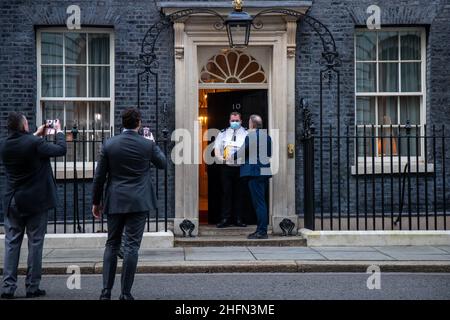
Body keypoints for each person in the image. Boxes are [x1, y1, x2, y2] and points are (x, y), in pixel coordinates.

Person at [92, 107, 166, 300]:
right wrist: (153, 143)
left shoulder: (109, 144)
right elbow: (163, 163)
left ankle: (105, 292)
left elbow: (99, 177)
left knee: (112, 244)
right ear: (138, 123)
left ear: (122, 123)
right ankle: (125, 294)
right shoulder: (147, 145)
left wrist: (95, 202)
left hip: (115, 199)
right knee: (132, 246)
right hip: (138, 202)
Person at [0, 112, 66, 299]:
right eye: (27, 123)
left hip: (12, 200)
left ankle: (8, 287)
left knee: (12, 243)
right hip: (35, 201)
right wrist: (59, 132)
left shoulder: (4, 145)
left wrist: (37, 134)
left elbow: (24, 144)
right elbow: (61, 150)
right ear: (23, 126)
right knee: (35, 243)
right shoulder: (34, 144)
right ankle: (32, 286)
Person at [233, 114, 272, 239]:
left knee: (259, 203)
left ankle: (262, 231)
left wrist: (230, 156)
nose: (248, 124)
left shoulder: (251, 136)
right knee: (261, 202)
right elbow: (269, 153)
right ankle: (260, 230)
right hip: (263, 172)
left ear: (252, 124)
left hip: (255, 172)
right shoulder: (267, 136)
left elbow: (243, 151)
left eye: (249, 122)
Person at [214, 112, 248, 228]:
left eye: (237, 120)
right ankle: (225, 219)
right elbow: (217, 148)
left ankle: (239, 219)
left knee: (240, 194)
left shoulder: (246, 133)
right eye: (232, 120)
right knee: (226, 193)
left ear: (241, 121)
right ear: (229, 121)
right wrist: (221, 159)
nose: (234, 122)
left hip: (241, 167)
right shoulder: (223, 133)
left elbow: (251, 149)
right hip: (226, 168)